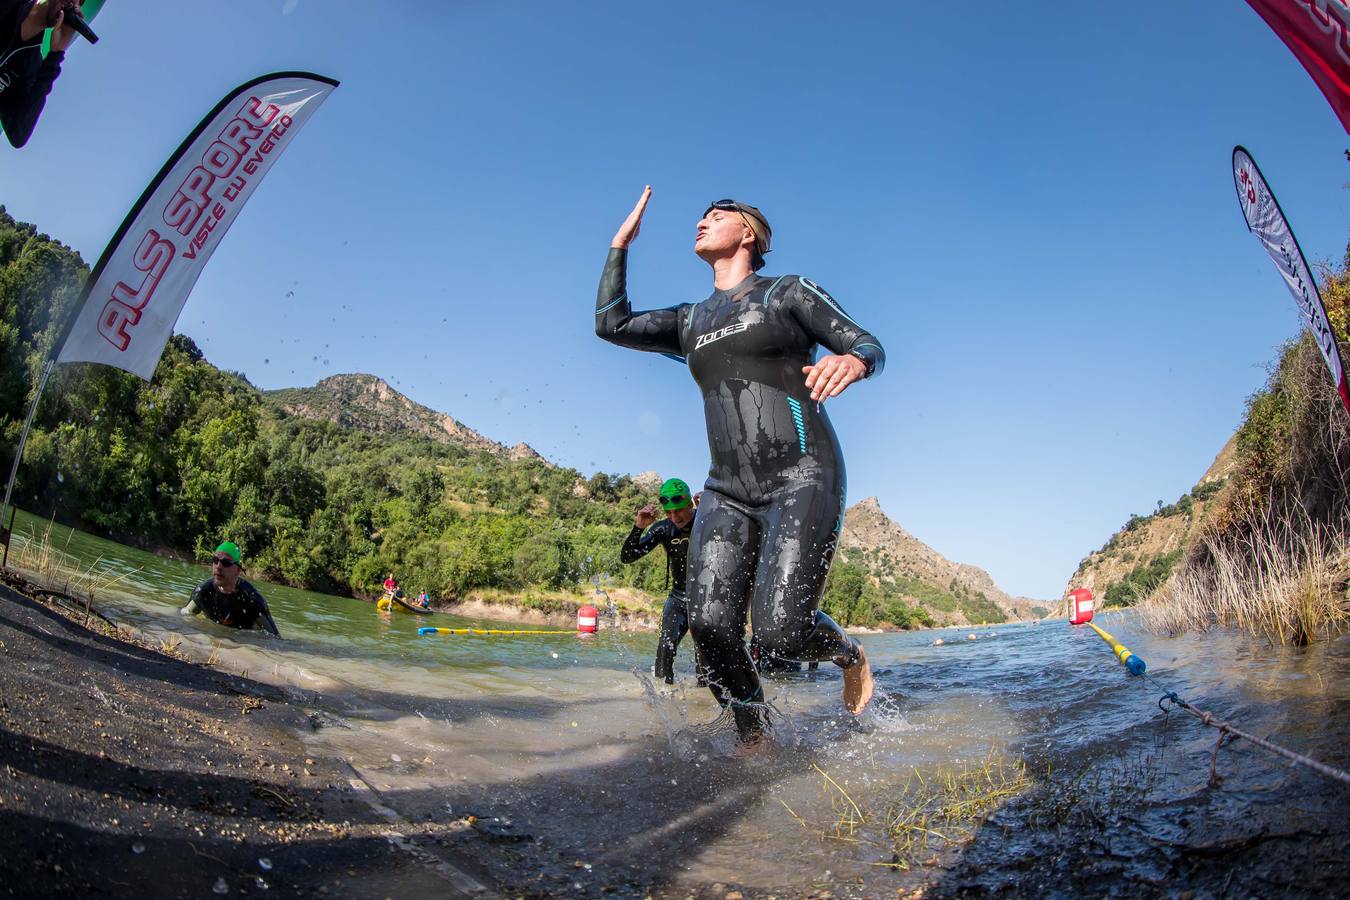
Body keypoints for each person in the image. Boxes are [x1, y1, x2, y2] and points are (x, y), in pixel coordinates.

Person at [596, 188, 884, 743]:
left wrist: (853, 360)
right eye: (701, 217)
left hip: (802, 474)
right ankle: (754, 738)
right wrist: (619, 247)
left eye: (716, 216)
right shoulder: (691, 322)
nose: (701, 222)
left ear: (747, 233)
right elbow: (611, 324)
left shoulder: (787, 293)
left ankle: (849, 654)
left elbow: (868, 342)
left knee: (782, 633)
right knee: (708, 627)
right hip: (726, 490)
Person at [620, 477, 705, 685]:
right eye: (669, 512)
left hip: (706, 598)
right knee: (665, 648)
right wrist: (639, 527)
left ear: (689, 504)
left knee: (705, 656)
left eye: (679, 511)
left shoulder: (706, 520)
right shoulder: (663, 528)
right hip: (677, 597)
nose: (674, 517)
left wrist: (712, 509)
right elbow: (628, 556)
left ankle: (705, 701)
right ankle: (663, 696)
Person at [1, 1, 83, 149]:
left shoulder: (29, 64)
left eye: (79, 2)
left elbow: (18, 134)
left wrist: (55, 56)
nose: (73, 5)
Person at [180, 542, 281, 637]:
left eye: (226, 563)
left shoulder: (252, 601)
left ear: (237, 570)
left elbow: (275, 638)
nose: (218, 566)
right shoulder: (203, 592)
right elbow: (184, 617)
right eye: (215, 560)